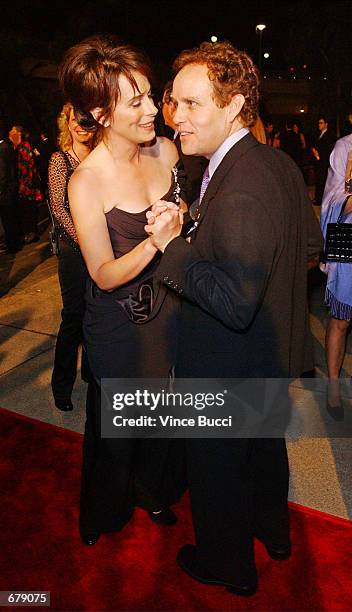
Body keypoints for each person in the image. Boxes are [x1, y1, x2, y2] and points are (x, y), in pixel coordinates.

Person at [145, 41, 323, 596]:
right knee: (265, 453)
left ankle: (229, 568)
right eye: (174, 103)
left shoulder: (240, 183)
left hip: (228, 368)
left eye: (193, 105)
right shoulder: (272, 162)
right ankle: (274, 533)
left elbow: (235, 301)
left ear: (234, 104)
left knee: (218, 474)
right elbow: (309, 247)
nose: (176, 117)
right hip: (269, 358)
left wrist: (174, 246)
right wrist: (200, 229)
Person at [59, 34, 186, 545]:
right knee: (113, 429)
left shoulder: (169, 150)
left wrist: (183, 222)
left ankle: (148, 489)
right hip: (118, 326)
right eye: (137, 102)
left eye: (151, 95)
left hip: (170, 316)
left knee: (158, 419)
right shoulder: (86, 181)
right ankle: (102, 510)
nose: (154, 108)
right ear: (101, 114)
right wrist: (157, 242)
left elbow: (186, 225)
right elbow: (103, 273)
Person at [49, 103, 93, 412]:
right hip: (73, 249)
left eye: (88, 122)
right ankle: (61, 385)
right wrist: (87, 242)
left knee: (98, 312)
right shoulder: (59, 160)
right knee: (74, 317)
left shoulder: (102, 157)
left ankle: (92, 372)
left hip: (101, 245)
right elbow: (59, 209)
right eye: (76, 120)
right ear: (67, 120)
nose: (82, 127)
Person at [320, 133, 352, 409]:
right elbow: (332, 200)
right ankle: (333, 384)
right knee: (341, 319)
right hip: (348, 237)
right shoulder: (345, 147)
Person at [9, 125, 43, 243]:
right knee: (25, 208)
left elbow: (28, 165)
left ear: (19, 134)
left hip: (28, 185)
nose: (10, 133)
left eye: (12, 131)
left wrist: (25, 183)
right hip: (23, 184)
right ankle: (29, 233)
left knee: (29, 208)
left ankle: (32, 233)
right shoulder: (17, 147)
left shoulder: (24, 147)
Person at [0, 119, 22, 254]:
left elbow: (2, 172)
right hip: (11, 188)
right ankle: (14, 242)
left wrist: (1, 190)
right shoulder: (7, 148)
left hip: (5, 192)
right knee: (11, 217)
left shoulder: (2, 149)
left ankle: (13, 244)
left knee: (8, 219)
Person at [312, 116, 335, 204]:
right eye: (319, 123)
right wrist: (314, 151)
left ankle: (321, 199)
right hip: (319, 161)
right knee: (319, 180)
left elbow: (327, 148)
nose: (319, 125)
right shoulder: (319, 134)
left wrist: (318, 154)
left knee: (322, 180)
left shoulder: (329, 135)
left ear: (326, 124)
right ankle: (318, 198)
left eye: (321, 123)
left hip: (324, 161)